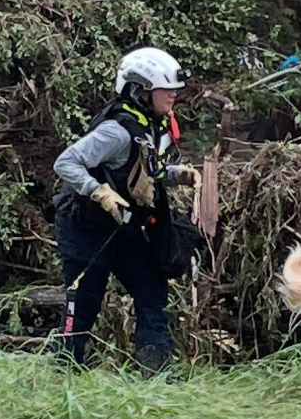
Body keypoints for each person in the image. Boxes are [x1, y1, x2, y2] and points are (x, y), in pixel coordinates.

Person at [51, 47, 201, 372]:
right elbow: (66, 162)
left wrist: (176, 176)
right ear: (141, 90)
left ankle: (155, 375)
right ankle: (65, 371)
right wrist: (99, 191)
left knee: (152, 289)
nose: (174, 96)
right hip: (86, 229)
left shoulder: (153, 126)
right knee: (85, 301)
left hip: (124, 227)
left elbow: (145, 171)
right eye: (166, 90)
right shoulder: (116, 131)